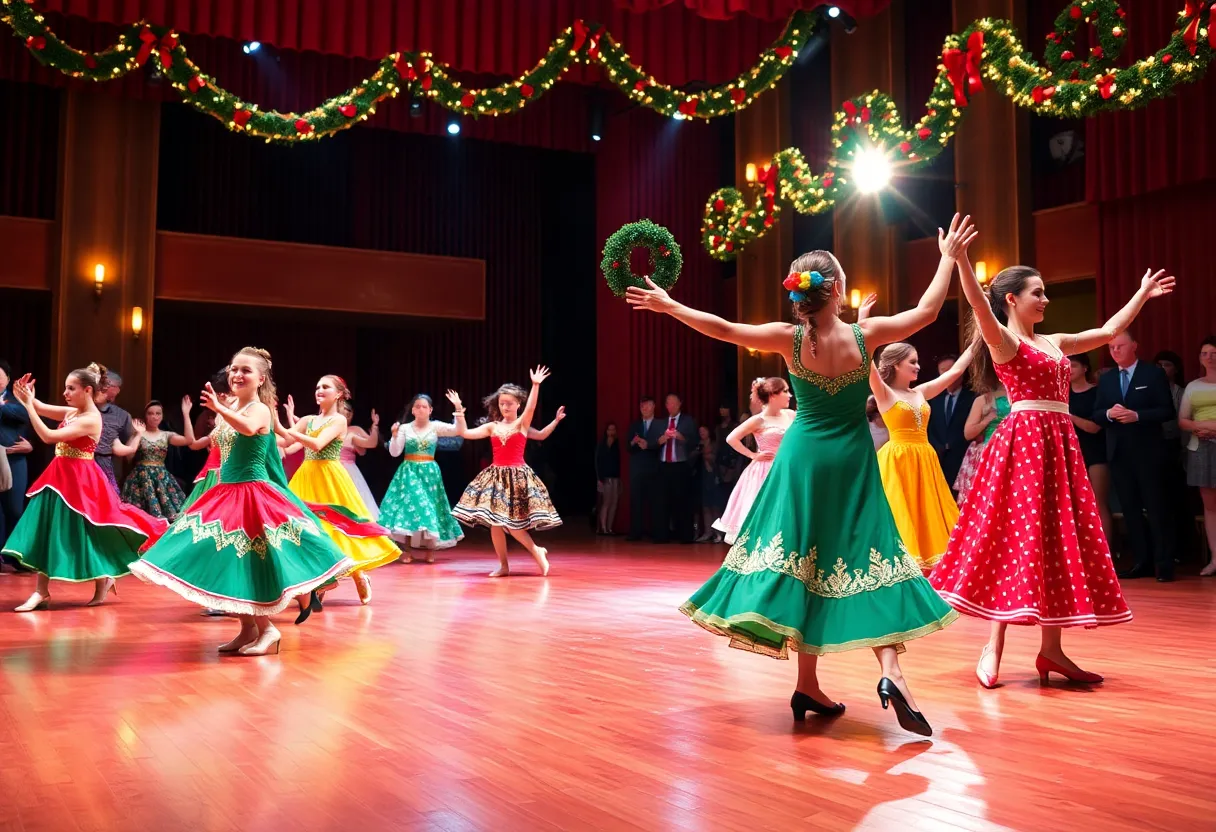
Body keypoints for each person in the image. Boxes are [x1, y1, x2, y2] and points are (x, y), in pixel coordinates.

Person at [625, 213, 977, 737]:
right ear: (836, 290)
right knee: (867, 555)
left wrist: (670, 304)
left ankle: (811, 683)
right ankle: (886, 673)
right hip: (852, 461)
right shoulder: (865, 336)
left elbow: (721, 328)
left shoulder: (788, 340)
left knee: (806, 561)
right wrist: (947, 256)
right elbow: (927, 312)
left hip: (802, 461)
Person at [931, 256, 1174, 689]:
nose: (1046, 298)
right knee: (1014, 537)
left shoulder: (1053, 341)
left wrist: (1141, 293)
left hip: (1058, 444)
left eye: (1045, 291)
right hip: (1023, 444)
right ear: (1012, 299)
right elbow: (978, 305)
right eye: (1037, 292)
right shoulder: (1004, 341)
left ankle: (1052, 650)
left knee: (1056, 537)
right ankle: (993, 645)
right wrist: (962, 261)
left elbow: (1106, 333)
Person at [131, 348, 356, 655]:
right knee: (228, 561)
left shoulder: (261, 409)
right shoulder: (235, 405)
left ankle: (268, 630)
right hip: (226, 490)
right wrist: (223, 409)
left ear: (261, 378)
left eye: (245, 370)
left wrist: (220, 410)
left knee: (248, 563)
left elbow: (249, 429)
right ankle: (247, 629)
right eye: (234, 369)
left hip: (250, 493)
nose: (237, 374)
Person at [3, 365, 168, 611]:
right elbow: (39, 407)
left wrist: (28, 405)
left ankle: (100, 579)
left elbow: (48, 436)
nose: (65, 393)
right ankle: (42, 591)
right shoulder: (73, 412)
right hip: (59, 478)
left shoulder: (91, 419)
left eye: (71, 388)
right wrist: (26, 395)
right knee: (49, 529)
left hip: (81, 480)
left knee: (91, 532)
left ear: (87, 390)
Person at [278, 375, 400, 606]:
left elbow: (316, 444)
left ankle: (357, 573)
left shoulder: (339, 421)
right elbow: (287, 441)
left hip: (330, 477)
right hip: (306, 476)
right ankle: (319, 582)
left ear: (339, 394)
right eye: (317, 387)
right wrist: (268, 427)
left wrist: (284, 428)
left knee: (339, 529)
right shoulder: (307, 420)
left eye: (325, 387)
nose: (319, 390)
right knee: (309, 529)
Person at [870, 341, 975, 571]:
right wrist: (863, 325)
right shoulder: (884, 392)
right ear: (896, 365)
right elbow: (865, 362)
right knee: (902, 512)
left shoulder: (920, 392)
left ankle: (932, 566)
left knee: (927, 512)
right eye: (913, 362)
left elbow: (956, 371)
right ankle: (903, 568)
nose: (918, 366)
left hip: (924, 458)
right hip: (898, 460)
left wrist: (979, 339)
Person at [451, 368, 560, 577]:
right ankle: (503, 565)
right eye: (502, 403)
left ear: (518, 404)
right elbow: (464, 433)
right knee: (495, 523)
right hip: (496, 478)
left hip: (518, 477)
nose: (505, 407)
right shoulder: (492, 426)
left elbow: (533, 410)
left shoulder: (522, 423)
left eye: (509, 403)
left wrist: (535, 385)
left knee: (512, 525)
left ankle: (537, 551)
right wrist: (458, 409)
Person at [1093, 331, 1177, 582]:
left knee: (1156, 508)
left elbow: (1166, 410)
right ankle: (1141, 562)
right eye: (1111, 348)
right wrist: (1109, 413)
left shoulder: (1152, 374)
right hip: (1119, 453)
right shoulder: (1107, 380)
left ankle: (1164, 564)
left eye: (1120, 346)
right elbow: (1096, 414)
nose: (1115, 351)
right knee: (1130, 510)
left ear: (1134, 346)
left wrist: (1137, 415)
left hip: (1149, 451)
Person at [379, 393, 467, 560]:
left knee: (430, 508)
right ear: (412, 410)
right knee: (410, 509)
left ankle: (430, 549)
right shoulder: (405, 428)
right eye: (417, 406)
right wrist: (395, 435)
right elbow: (395, 452)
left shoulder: (435, 427)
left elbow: (458, 430)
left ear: (430, 410)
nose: (420, 409)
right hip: (409, 473)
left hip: (429, 474)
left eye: (424, 407)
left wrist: (457, 408)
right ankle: (406, 550)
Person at [712, 377, 794, 544]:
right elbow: (731, 438)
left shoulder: (791, 414)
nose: (790, 395)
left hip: (786, 468)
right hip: (764, 470)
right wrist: (752, 455)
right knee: (763, 510)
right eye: (785, 391)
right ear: (772, 395)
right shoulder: (759, 419)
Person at [119, 398, 198, 520]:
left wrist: (186, 414)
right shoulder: (139, 433)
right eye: (150, 413)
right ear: (145, 416)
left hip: (161, 478)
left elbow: (189, 440)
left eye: (158, 413)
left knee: (170, 515)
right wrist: (138, 434)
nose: (154, 417)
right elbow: (128, 456)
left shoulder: (166, 435)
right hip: (140, 478)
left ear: (162, 416)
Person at [1179, 336, 1216, 576]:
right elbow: (1182, 420)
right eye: (1205, 353)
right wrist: (1198, 428)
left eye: (1214, 352)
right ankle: (1215, 559)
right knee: (1210, 507)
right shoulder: (1193, 386)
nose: (1210, 357)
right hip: (1201, 447)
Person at [1067, 354, 1113, 543]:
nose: (1069, 370)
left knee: (1098, 502)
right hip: (1069, 453)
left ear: (1085, 368)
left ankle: (1106, 552)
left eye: (1074, 366)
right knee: (1071, 504)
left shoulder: (1097, 393)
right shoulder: (1061, 394)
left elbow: (1094, 427)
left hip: (1095, 451)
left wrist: (1069, 416)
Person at [0, 360, 33, 567]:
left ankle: (16, 557)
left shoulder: (16, 400)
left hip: (14, 460)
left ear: (8, 379)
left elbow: (24, 414)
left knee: (14, 509)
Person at [927, 354, 976, 491]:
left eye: (952, 369)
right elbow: (929, 427)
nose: (948, 374)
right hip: (937, 458)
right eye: (943, 370)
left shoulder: (973, 397)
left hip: (962, 458)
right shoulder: (933, 398)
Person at [654, 393, 697, 544]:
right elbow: (652, 444)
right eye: (668, 403)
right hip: (663, 465)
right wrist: (661, 440)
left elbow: (694, 442)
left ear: (680, 404)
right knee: (662, 501)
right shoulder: (660, 423)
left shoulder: (687, 421)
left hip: (681, 465)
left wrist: (681, 437)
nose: (671, 406)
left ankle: (685, 536)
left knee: (682, 501)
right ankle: (661, 535)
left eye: (674, 403)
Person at [625, 397, 663, 541]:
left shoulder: (660, 424)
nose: (644, 409)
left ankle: (657, 533)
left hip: (655, 468)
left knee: (655, 502)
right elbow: (628, 447)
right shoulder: (634, 426)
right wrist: (634, 442)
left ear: (653, 406)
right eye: (642, 407)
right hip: (637, 469)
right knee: (636, 501)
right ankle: (636, 532)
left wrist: (649, 445)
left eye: (647, 406)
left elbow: (662, 444)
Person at [92, 369, 134, 495]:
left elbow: (125, 449)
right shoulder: (80, 409)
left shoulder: (122, 416)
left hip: (106, 466)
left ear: (117, 390)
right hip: (80, 462)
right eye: (100, 384)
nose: (102, 388)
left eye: (107, 385)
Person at [339, 402, 381, 520]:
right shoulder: (328, 429)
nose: (345, 413)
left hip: (348, 471)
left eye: (348, 411)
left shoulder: (353, 431)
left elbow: (370, 443)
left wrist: (375, 427)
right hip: (330, 469)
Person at [694, 425, 722, 543]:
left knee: (715, 505)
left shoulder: (714, 444)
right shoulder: (698, 445)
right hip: (702, 477)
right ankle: (707, 532)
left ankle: (718, 532)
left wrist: (706, 455)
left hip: (714, 476)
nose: (702, 433)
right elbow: (692, 458)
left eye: (704, 430)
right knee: (705, 506)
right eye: (700, 431)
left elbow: (717, 459)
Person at [595, 422, 621, 535]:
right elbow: (598, 462)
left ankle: (610, 528)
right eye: (609, 429)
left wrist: (619, 479)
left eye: (613, 429)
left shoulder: (616, 444)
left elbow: (618, 462)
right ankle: (603, 528)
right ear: (606, 431)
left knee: (614, 503)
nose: (611, 432)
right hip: (605, 478)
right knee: (606, 502)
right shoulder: (601, 444)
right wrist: (600, 478)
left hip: (615, 477)